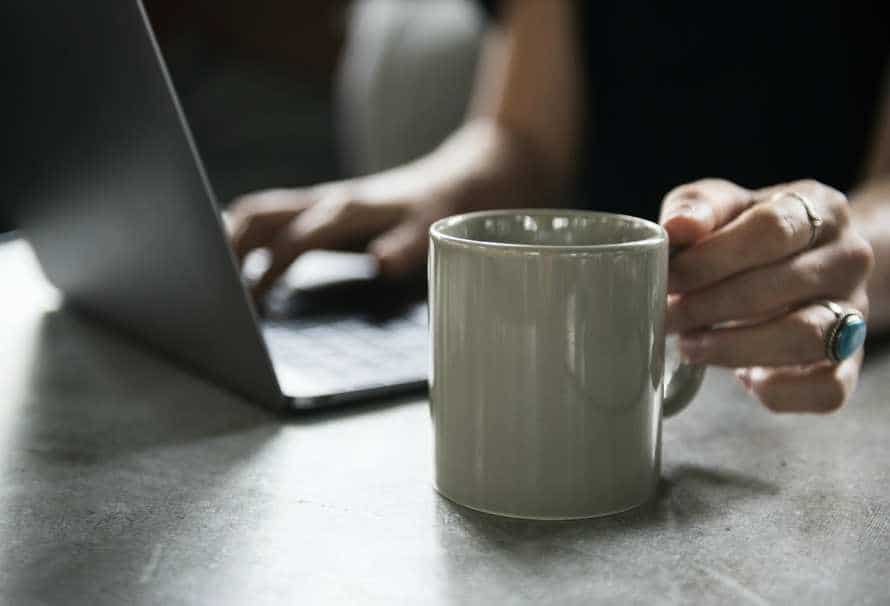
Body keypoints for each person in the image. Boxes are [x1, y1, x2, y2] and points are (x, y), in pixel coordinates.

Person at [227, 1, 890, 414]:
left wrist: (835, 253)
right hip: (584, 343)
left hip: (810, 373)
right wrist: (420, 191)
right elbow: (525, 140)